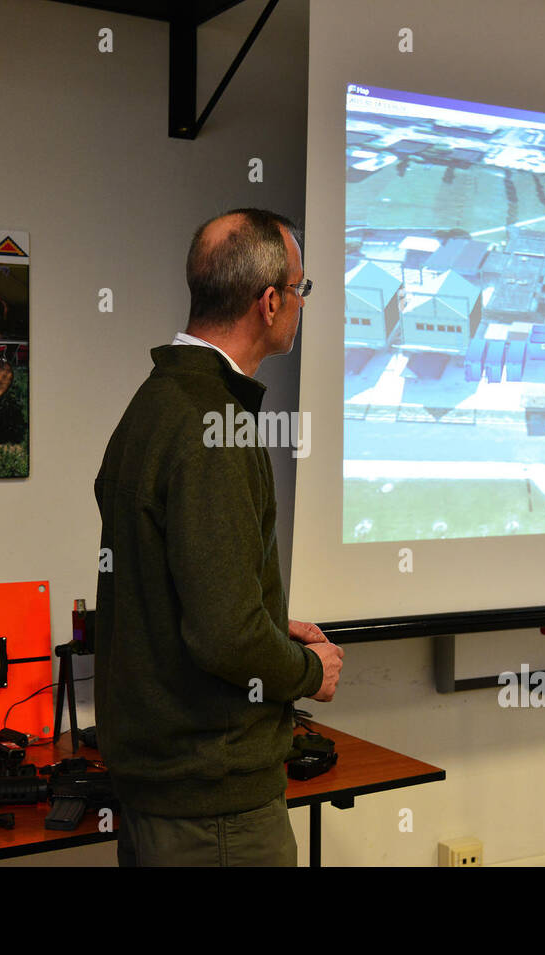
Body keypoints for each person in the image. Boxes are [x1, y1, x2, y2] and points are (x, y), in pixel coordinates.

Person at [94, 208, 342, 867]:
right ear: (269, 302)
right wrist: (308, 671)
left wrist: (266, 623)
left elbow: (186, 594)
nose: (301, 304)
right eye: (301, 289)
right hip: (214, 811)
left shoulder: (157, 403)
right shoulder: (215, 429)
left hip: (163, 793)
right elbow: (224, 636)